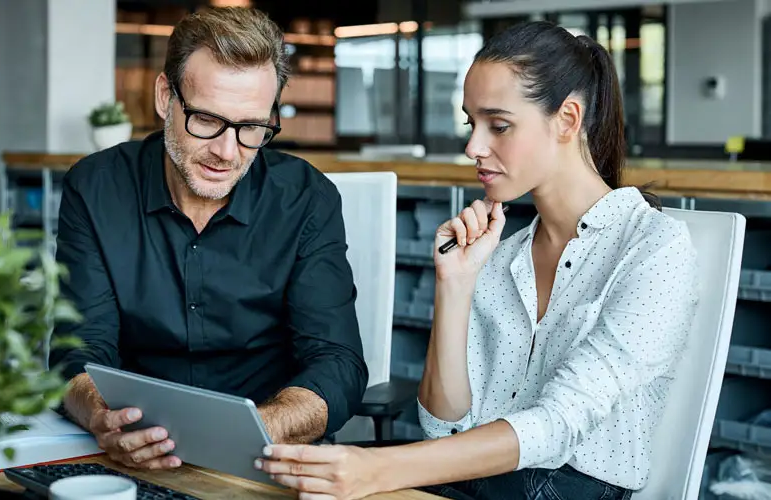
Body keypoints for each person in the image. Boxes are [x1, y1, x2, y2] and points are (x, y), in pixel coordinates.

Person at [255, 20, 699, 500]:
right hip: (476, 482)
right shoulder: (499, 253)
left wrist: (380, 468)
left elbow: (556, 425)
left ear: (568, 120)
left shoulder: (655, 248)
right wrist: (455, 284)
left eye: (499, 125)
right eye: (472, 123)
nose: (473, 147)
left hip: (568, 488)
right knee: (279, 484)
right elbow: (442, 425)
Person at [48, 6, 368, 472]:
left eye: (251, 128)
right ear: (165, 97)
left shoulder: (307, 200)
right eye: (205, 119)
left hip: (267, 455)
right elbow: (78, 351)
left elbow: (336, 363)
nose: (226, 151)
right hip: (134, 451)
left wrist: (256, 430)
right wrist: (103, 417)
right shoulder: (96, 188)